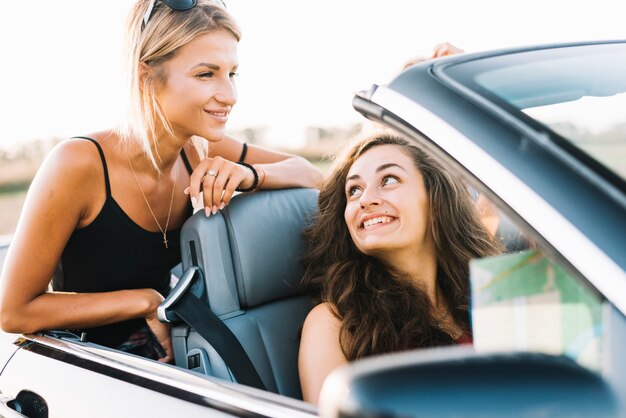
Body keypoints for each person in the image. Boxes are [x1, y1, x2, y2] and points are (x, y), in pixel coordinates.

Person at [0, 0, 322, 363]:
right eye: (206, 74)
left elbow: (310, 174)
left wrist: (250, 175)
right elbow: (14, 311)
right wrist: (144, 302)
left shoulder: (199, 149)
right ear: (145, 77)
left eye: (232, 74)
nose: (229, 95)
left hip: (167, 362)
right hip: (87, 370)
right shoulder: (78, 164)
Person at [298, 132, 500, 404]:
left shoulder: (486, 294)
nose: (365, 199)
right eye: (354, 190)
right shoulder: (334, 322)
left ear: (435, 199)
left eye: (389, 180)